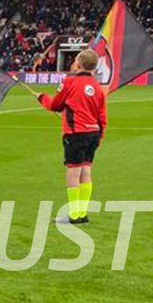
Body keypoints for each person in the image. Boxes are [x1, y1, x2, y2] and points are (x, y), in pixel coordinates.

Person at [38, 49, 106, 225]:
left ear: (78, 63)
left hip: (76, 133)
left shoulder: (69, 82)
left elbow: (54, 105)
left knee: (73, 172)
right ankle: (82, 213)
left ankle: (74, 215)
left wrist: (42, 98)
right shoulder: (98, 87)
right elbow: (102, 116)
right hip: (93, 133)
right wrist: (100, 136)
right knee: (86, 170)